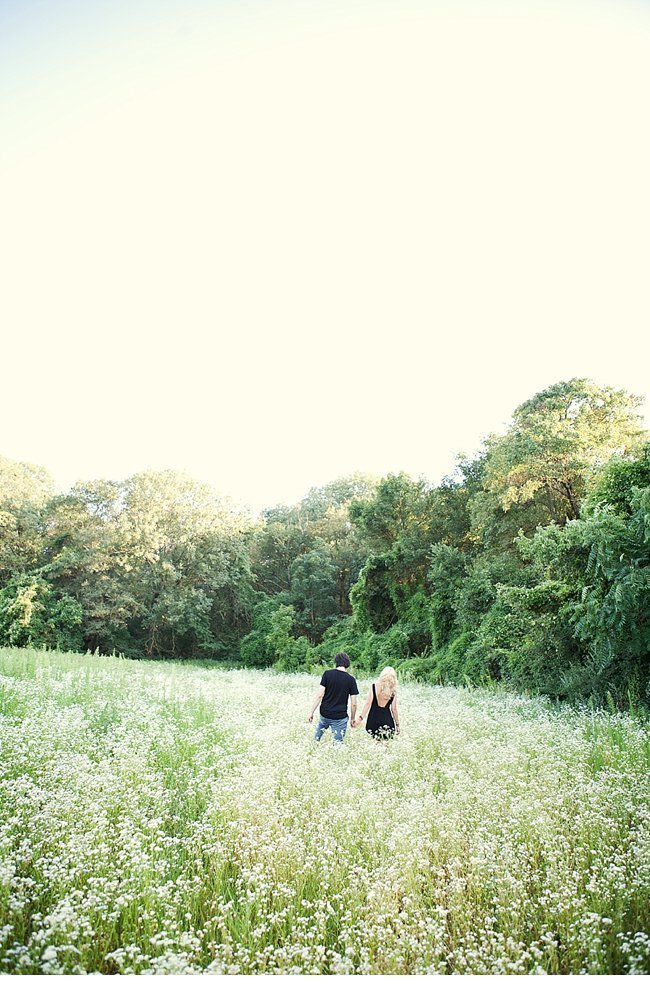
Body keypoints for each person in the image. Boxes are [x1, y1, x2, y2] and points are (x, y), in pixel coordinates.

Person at [308, 652, 359, 743]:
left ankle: (314, 745)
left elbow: (320, 695)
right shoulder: (351, 680)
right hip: (340, 717)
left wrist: (311, 712)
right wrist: (352, 718)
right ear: (347, 663)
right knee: (338, 743)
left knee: (316, 738)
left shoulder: (327, 674)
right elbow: (354, 703)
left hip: (325, 713)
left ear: (336, 662)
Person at [353, 666, 400, 739]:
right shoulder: (393, 691)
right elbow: (394, 709)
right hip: (387, 720)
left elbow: (367, 704)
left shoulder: (374, 686)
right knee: (385, 744)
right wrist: (397, 724)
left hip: (373, 719)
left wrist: (360, 719)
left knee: (375, 742)